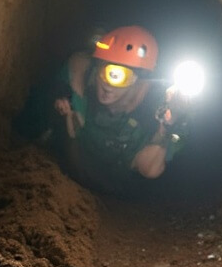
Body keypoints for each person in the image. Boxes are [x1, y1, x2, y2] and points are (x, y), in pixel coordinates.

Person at [15, 25, 189, 197]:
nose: (108, 84)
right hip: (70, 164)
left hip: (114, 187)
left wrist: (168, 125)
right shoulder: (80, 75)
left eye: (121, 76)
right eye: (105, 71)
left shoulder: (158, 106)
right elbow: (75, 67)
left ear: (138, 80)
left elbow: (150, 169)